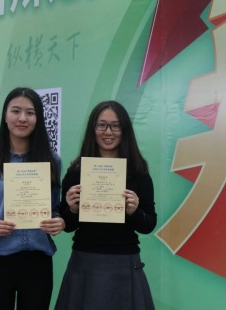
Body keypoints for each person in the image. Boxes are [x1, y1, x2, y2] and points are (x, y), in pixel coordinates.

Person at [0, 87, 65, 310]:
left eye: (30, 113)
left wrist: (58, 221)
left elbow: (54, 208)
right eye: (16, 111)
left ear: (38, 119)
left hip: (37, 262)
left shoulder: (52, 161)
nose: (22, 118)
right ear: (5, 116)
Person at [55, 100, 157, 310]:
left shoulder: (138, 172)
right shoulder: (76, 172)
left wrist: (134, 211)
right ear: (93, 129)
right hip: (85, 260)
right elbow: (67, 225)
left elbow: (149, 224)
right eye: (101, 125)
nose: (108, 132)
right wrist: (72, 209)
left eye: (115, 126)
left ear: (124, 130)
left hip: (124, 261)